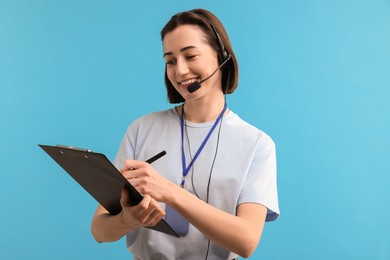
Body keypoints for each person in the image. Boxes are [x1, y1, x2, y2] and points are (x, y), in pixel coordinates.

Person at [91, 8, 279, 259]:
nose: (180, 71)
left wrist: (171, 193)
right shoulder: (141, 129)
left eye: (190, 56)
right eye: (170, 61)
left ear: (222, 56)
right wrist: (128, 219)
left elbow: (246, 241)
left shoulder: (257, 144)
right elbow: (99, 230)